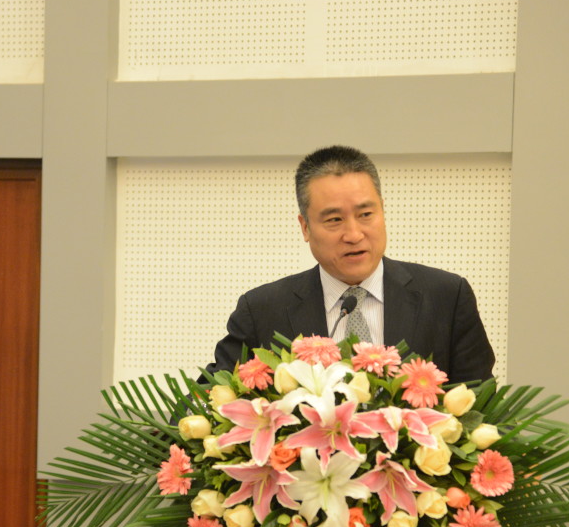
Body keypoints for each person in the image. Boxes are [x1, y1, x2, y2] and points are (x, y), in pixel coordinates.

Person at [210, 145, 495, 384]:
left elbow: (484, 412)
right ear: (305, 227)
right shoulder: (262, 311)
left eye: (366, 214)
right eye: (334, 220)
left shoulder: (447, 297)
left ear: (382, 210)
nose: (354, 234)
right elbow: (209, 400)